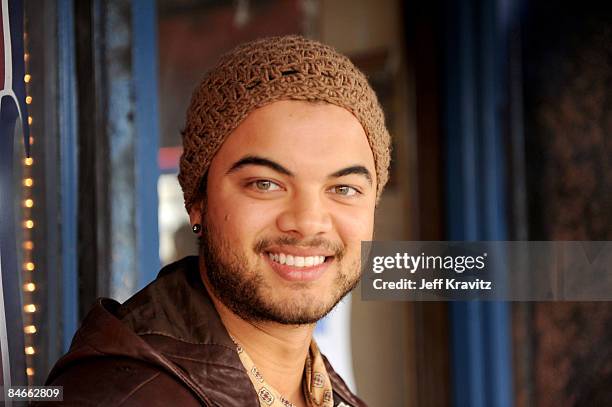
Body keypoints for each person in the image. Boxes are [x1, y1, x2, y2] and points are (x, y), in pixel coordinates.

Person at [44, 35, 390, 407]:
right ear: (197, 201)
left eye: (344, 189)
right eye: (265, 184)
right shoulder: (121, 396)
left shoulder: (327, 393)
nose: (307, 222)